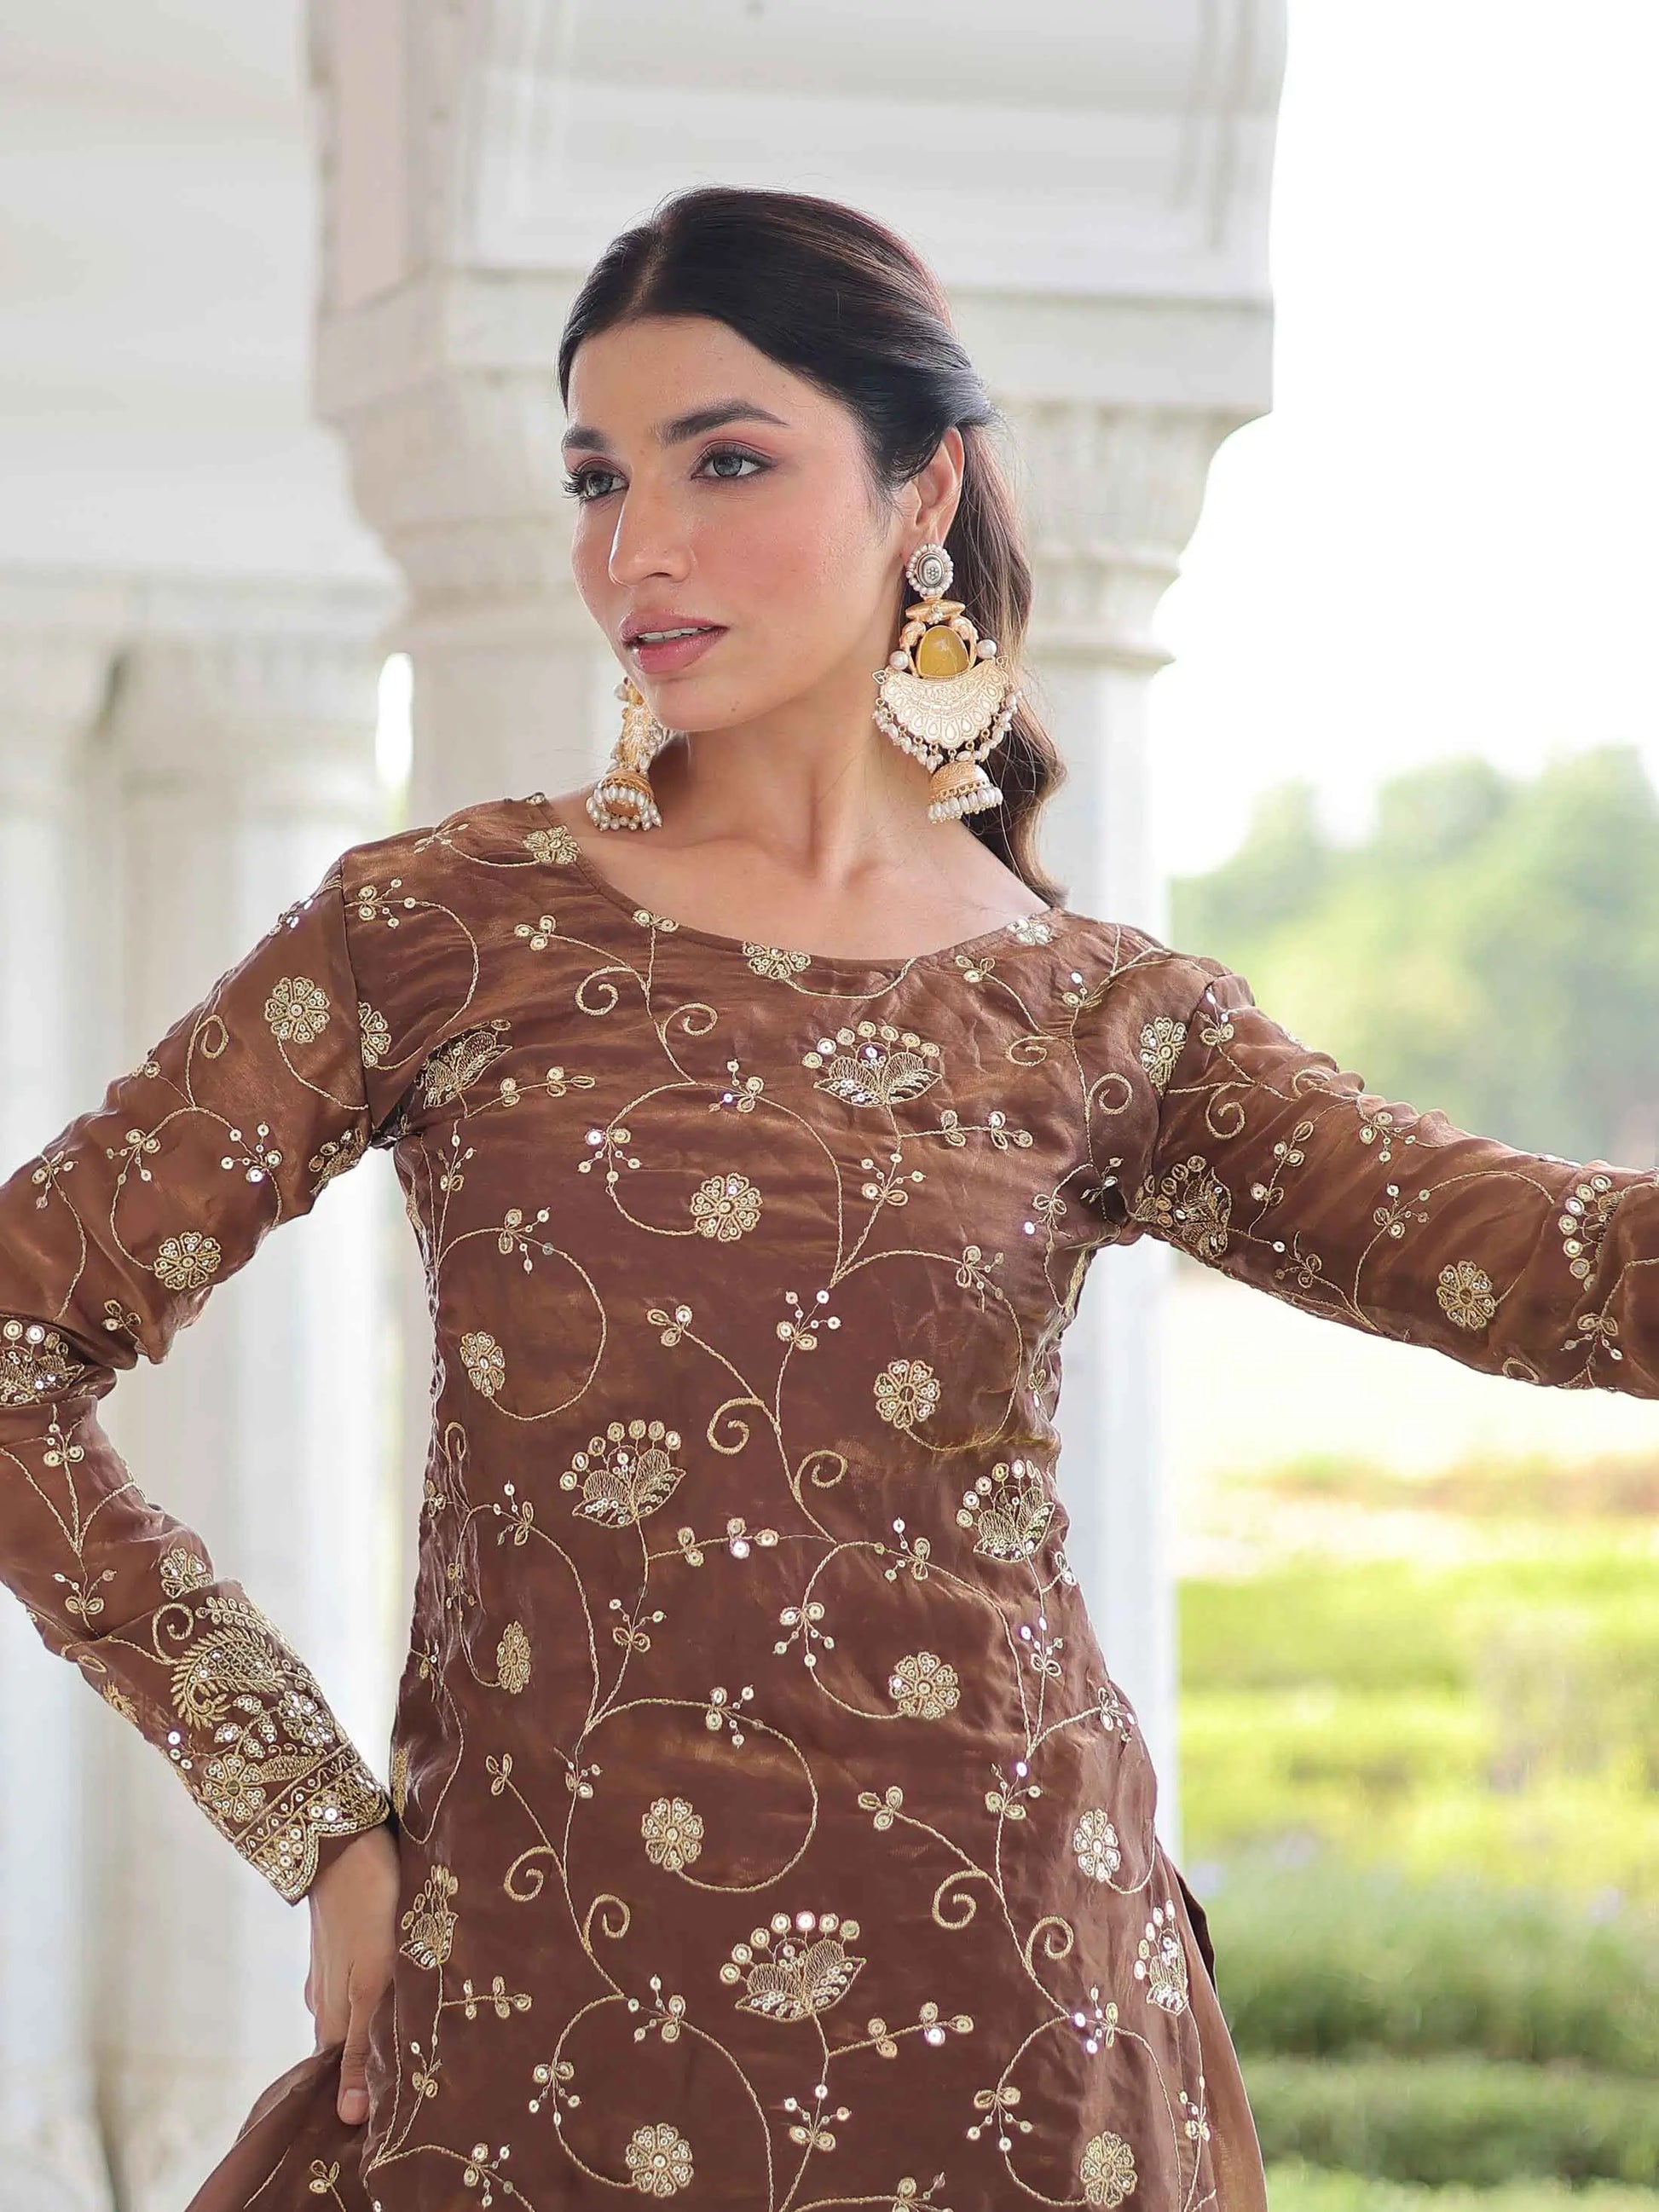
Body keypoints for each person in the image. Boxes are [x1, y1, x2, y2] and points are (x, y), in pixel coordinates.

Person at [2, 185, 1654, 2212]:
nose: (638, 546)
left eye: (725, 461)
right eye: (598, 477)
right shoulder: (441, 929)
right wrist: (314, 1818)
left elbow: (1569, 1272)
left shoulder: (1103, 1020)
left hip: (1013, 2029)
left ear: (919, 487)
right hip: (544, 2019)